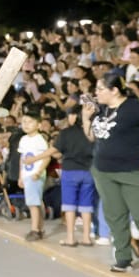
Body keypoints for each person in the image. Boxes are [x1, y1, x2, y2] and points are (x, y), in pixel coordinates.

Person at [88, 73, 139, 273]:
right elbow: (91, 136)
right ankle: (123, 257)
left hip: (132, 170)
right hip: (104, 170)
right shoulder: (101, 110)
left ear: (114, 90)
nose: (96, 93)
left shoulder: (137, 107)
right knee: (115, 216)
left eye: (100, 89)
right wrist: (84, 117)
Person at [51, 104, 97, 246]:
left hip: (70, 172)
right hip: (88, 172)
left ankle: (70, 238)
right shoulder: (92, 132)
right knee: (86, 206)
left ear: (75, 116)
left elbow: (55, 151)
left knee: (69, 205)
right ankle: (86, 237)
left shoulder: (66, 133)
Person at [17, 106, 50, 241]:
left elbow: (46, 157)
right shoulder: (24, 139)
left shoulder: (39, 139)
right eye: (24, 122)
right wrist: (21, 176)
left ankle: (35, 230)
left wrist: (39, 172)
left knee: (33, 203)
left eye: (30, 122)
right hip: (27, 175)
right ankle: (39, 228)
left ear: (38, 124)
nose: (26, 125)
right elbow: (22, 159)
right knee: (35, 202)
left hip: (35, 175)